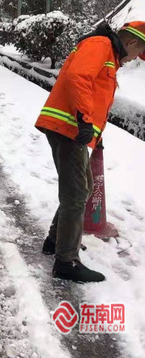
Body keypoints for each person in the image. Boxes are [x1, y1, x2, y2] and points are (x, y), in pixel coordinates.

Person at [35, 21, 145, 283]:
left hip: (74, 128)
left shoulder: (106, 51)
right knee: (76, 194)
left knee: (81, 188)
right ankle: (66, 261)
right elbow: (77, 78)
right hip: (69, 127)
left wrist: (95, 131)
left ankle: (55, 240)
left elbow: (95, 93)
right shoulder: (100, 45)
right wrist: (85, 120)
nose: (133, 61)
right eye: (137, 54)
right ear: (130, 43)